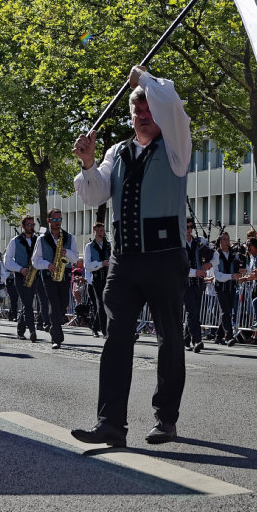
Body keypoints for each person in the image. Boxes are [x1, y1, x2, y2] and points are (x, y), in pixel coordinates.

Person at [70, 65, 192, 447]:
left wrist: (145, 79)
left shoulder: (176, 147)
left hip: (165, 257)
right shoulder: (117, 151)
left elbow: (172, 105)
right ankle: (110, 423)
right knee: (116, 338)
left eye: (148, 111)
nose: (142, 116)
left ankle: (165, 419)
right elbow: (93, 195)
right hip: (124, 261)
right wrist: (88, 163)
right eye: (137, 111)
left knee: (169, 339)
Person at [31, 208, 79, 349]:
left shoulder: (69, 237)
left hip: (64, 275)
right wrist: (48, 265)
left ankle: (54, 328)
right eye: (55, 220)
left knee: (63, 305)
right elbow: (35, 260)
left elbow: (75, 258)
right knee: (53, 305)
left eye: (60, 220)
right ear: (49, 220)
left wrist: (67, 252)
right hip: (48, 277)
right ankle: (56, 338)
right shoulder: (42, 239)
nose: (58, 223)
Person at [5, 215, 43, 342]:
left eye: (33, 225)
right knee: (27, 303)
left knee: (28, 304)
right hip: (20, 276)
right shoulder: (15, 241)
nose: (32, 227)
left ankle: (20, 331)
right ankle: (32, 331)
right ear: (23, 226)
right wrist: (20, 269)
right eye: (29, 225)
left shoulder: (38, 240)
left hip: (34, 276)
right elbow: (7, 260)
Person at [181, 218, 211, 352]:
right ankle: (197, 340)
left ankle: (186, 339)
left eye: (190, 227)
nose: (189, 230)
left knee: (195, 313)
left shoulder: (198, 243)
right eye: (186, 227)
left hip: (198, 283)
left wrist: (210, 264)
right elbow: (178, 267)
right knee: (192, 311)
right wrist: (195, 272)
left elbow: (214, 254)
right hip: (185, 284)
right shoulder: (178, 245)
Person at [84, 222, 112, 337]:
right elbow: (87, 265)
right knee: (100, 303)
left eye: (102, 230)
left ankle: (95, 327)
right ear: (94, 231)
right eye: (98, 231)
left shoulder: (108, 245)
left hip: (108, 277)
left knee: (108, 303)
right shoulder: (89, 246)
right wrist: (101, 263)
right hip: (96, 278)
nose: (100, 233)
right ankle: (105, 331)